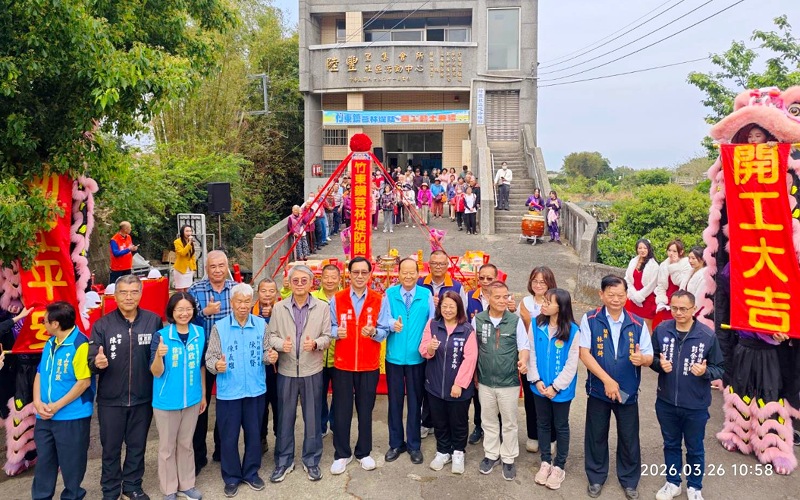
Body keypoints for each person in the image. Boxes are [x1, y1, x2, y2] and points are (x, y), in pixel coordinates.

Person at [579, 275, 653, 500]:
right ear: (601, 295)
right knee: (596, 435)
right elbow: (585, 353)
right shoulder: (590, 319)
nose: (616, 299)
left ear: (626, 295)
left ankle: (629, 481)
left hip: (628, 391)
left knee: (629, 437)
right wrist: (607, 381)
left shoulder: (637, 323)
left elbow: (649, 355)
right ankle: (596, 477)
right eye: (610, 294)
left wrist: (643, 359)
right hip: (599, 390)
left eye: (620, 295)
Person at [89, 274, 163, 500]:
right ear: (115, 296)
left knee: (137, 446)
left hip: (142, 397)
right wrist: (97, 363)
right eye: (123, 292)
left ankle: (132, 487)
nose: (129, 297)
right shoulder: (102, 325)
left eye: (134, 292)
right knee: (110, 449)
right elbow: (91, 360)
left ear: (141, 294)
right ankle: (111, 490)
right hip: (111, 400)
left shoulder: (153, 321)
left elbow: (157, 357)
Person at [650, 290, 724, 500]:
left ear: (694, 309)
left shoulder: (707, 336)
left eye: (683, 309)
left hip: (695, 405)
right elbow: (652, 357)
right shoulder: (662, 330)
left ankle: (694, 486)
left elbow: (719, 367)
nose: (678, 313)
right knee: (671, 444)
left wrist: (705, 372)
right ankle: (673, 483)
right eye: (674, 308)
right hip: (666, 401)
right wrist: (659, 364)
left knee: (695, 447)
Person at [205, 283, 275, 498]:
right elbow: (210, 358)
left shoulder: (261, 325)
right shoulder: (220, 327)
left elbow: (266, 352)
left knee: (254, 435)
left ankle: (251, 473)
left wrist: (270, 356)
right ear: (231, 302)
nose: (243, 306)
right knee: (229, 437)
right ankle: (231, 476)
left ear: (252, 302)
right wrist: (216, 365)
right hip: (229, 392)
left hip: (255, 390)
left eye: (247, 301)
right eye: (239, 301)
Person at [268, 265, 331, 483]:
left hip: (311, 370)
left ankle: (311, 460)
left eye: (304, 280)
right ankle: (284, 461)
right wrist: (280, 345)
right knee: (285, 418)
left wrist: (315, 343)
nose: (300, 284)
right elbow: (271, 336)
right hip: (286, 370)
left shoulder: (322, 307)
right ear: (290, 283)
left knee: (312, 418)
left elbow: (327, 337)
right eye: (296, 280)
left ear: (312, 283)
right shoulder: (279, 308)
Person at [328, 257, 386, 475]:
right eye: (356, 272)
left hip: (368, 364)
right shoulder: (338, 298)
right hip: (343, 364)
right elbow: (329, 327)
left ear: (370, 275)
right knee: (342, 411)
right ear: (349, 274)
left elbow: (385, 329)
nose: (360, 276)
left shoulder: (379, 299)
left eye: (364, 272)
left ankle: (364, 452)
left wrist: (374, 332)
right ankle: (342, 453)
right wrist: (336, 332)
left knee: (365, 409)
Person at [31, 302, 93, 500]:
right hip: (44, 416)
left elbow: (83, 382)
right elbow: (40, 373)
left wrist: (56, 406)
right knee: (44, 462)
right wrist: (37, 402)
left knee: (72, 464)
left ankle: (72, 496)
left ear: (55, 323)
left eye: (45, 321)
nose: (43, 324)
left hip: (71, 416)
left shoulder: (80, 344)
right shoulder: (50, 343)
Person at [377, 258, 435, 466]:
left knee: (415, 402)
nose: (408, 276)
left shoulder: (426, 295)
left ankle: (414, 445)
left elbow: (432, 322)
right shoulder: (390, 294)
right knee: (394, 402)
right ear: (398, 273)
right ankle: (395, 443)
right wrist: (392, 323)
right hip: (394, 357)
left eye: (412, 273)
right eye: (404, 272)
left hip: (417, 358)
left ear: (418, 274)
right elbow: (382, 319)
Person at [150, 293, 207, 500]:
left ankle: (187, 485)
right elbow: (155, 372)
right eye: (179, 309)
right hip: (166, 401)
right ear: (171, 312)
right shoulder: (161, 336)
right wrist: (159, 355)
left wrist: (203, 394)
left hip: (192, 399)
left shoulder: (200, 333)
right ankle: (169, 488)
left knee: (186, 444)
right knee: (167, 447)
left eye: (188, 309)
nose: (184, 313)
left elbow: (201, 366)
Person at [472, 281, 529, 480]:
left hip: (508, 381)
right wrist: (474, 375)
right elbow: (473, 349)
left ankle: (508, 457)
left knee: (509, 422)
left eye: (506, 296)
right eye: (497, 297)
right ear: (488, 297)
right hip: (485, 381)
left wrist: (523, 361)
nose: (503, 300)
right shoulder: (478, 320)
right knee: (488, 420)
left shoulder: (515, 321)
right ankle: (491, 454)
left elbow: (524, 346)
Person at [188, 250, 235, 474]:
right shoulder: (195, 290)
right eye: (213, 266)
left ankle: (222, 450)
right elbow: (183, 318)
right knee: (201, 404)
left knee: (226, 403)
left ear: (227, 266)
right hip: (201, 353)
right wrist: (204, 313)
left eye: (221, 266)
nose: (217, 270)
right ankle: (198, 456)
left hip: (228, 355)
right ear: (206, 269)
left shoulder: (235, 289)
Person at [420, 291, 477, 474]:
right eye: (444, 306)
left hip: (458, 388)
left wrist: (459, 384)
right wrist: (430, 348)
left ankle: (458, 452)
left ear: (459, 308)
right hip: (435, 385)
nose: (448, 310)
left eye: (452, 306)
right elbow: (423, 349)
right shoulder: (433, 324)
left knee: (458, 421)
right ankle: (443, 451)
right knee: (439, 420)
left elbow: (470, 359)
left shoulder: (466, 329)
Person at [530, 289, 580, 491]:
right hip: (539, 386)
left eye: (548, 302)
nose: (543, 304)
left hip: (561, 390)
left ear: (561, 307)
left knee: (561, 425)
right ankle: (545, 461)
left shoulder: (573, 331)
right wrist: (536, 380)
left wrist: (556, 387)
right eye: (544, 300)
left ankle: (559, 465)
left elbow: (572, 364)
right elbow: (531, 352)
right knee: (542, 423)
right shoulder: (536, 324)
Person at [518, 266, 558, 454]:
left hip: (550, 356)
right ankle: (533, 435)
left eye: (543, 281)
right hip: (529, 356)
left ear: (550, 283)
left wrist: (529, 320)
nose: (538, 285)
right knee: (531, 397)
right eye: (535, 281)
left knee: (550, 397)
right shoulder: (525, 302)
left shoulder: (555, 302)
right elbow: (521, 332)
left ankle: (551, 437)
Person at [310, 265, 341, 437]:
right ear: (320, 279)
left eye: (333, 277)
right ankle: (321, 425)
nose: (330, 281)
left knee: (340, 394)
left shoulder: (344, 297)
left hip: (340, 357)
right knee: (318, 394)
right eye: (326, 277)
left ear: (339, 279)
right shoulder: (312, 297)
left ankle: (336, 424)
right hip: (317, 357)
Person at [253, 279, 279, 453]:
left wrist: (272, 316)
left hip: (278, 368)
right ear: (258, 292)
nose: (267, 295)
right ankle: (261, 438)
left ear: (276, 293)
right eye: (264, 291)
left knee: (279, 405)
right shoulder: (250, 311)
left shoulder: (281, 310)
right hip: (257, 368)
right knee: (259, 407)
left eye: (271, 291)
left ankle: (280, 438)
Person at [653, 240, 692, 330]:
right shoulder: (664, 264)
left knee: (679, 326)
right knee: (666, 327)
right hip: (667, 300)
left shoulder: (686, 263)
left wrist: (674, 265)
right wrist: (661, 299)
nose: (671, 253)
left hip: (680, 299)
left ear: (681, 252)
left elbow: (678, 281)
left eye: (674, 251)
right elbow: (661, 284)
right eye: (669, 250)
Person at [624, 239, 659, 332]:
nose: (642, 250)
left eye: (645, 248)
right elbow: (627, 279)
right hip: (633, 298)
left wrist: (639, 296)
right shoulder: (633, 262)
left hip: (647, 299)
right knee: (632, 324)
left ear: (649, 249)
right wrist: (634, 294)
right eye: (640, 248)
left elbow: (652, 284)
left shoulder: (654, 265)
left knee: (646, 326)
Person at [680, 246, 708, 319]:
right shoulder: (690, 272)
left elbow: (699, 297)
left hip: (697, 310)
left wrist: (690, 312)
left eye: (693, 258)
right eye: (689, 258)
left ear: (702, 259)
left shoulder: (705, 275)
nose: (690, 261)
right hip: (684, 306)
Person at [173, 225, 197, 293]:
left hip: (189, 269)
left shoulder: (191, 242)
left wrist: (194, 268)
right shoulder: (177, 242)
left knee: (188, 291)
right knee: (181, 292)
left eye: (190, 231)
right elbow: (182, 253)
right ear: (182, 232)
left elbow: (192, 255)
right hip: (180, 270)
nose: (189, 233)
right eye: (187, 231)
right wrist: (189, 243)